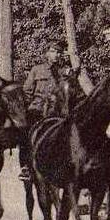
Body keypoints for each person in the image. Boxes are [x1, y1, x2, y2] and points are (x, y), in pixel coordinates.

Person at [19, 40, 82, 180]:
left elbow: (72, 90)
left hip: (57, 111)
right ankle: (26, 167)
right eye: (53, 51)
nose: (56, 55)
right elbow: (27, 93)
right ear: (46, 53)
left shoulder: (64, 72)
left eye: (59, 52)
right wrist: (29, 108)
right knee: (26, 133)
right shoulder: (36, 70)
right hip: (38, 110)